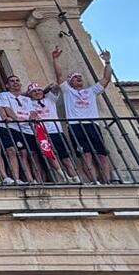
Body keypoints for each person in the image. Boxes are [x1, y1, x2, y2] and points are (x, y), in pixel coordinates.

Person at [50, 47, 116, 184]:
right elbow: (59, 76)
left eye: (80, 76)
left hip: (93, 125)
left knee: (102, 155)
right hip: (76, 126)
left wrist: (107, 62)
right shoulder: (67, 91)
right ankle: (94, 181)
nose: (79, 78)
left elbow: (106, 78)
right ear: (70, 82)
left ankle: (107, 181)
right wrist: (55, 59)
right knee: (86, 156)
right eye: (75, 77)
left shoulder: (92, 91)